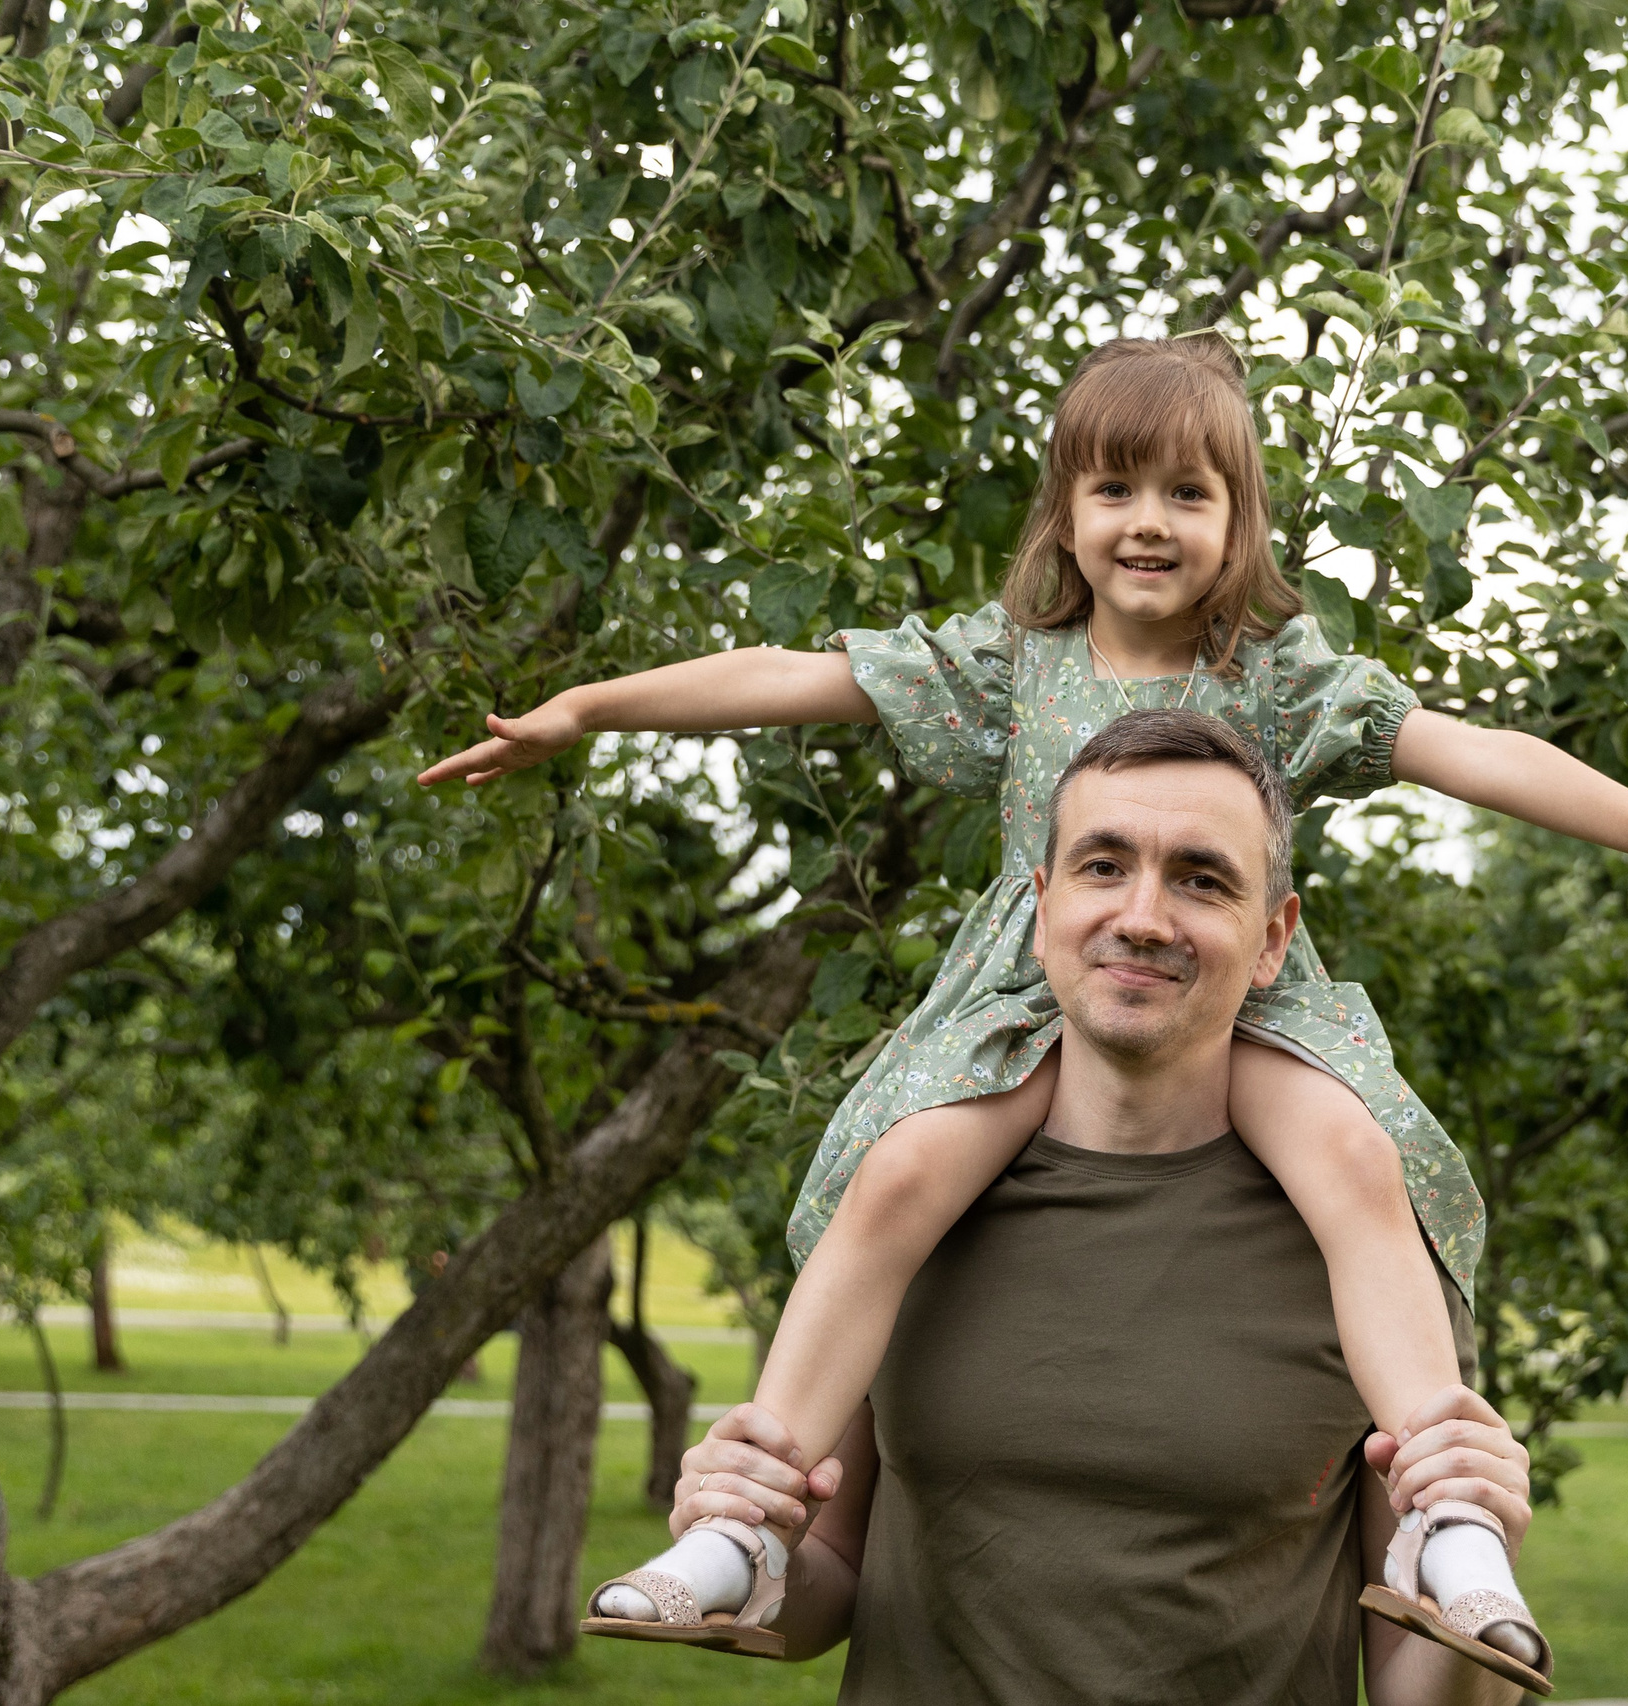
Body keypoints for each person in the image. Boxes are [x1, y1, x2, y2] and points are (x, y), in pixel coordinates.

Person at [418, 335, 1628, 1675]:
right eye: (1116, 488)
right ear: (1068, 514)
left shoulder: (1275, 675)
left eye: (1188, 493)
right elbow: (793, 678)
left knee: (1357, 1159)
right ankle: (744, 1511)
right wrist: (591, 708)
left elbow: (1472, 752)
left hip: (1232, 1002)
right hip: (1026, 999)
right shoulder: (1013, 663)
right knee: (897, 1171)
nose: (1150, 523)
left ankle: (1446, 1513)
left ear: (1238, 518)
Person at [598, 711, 1550, 1702]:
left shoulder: (1375, 1249)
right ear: (1040, 906)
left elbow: (1418, 1689)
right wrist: (745, 1543)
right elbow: (825, 1585)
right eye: (1103, 864)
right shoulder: (916, 1199)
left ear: (1272, 939)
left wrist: (1470, 1584)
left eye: (1201, 876)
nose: (1141, 914)